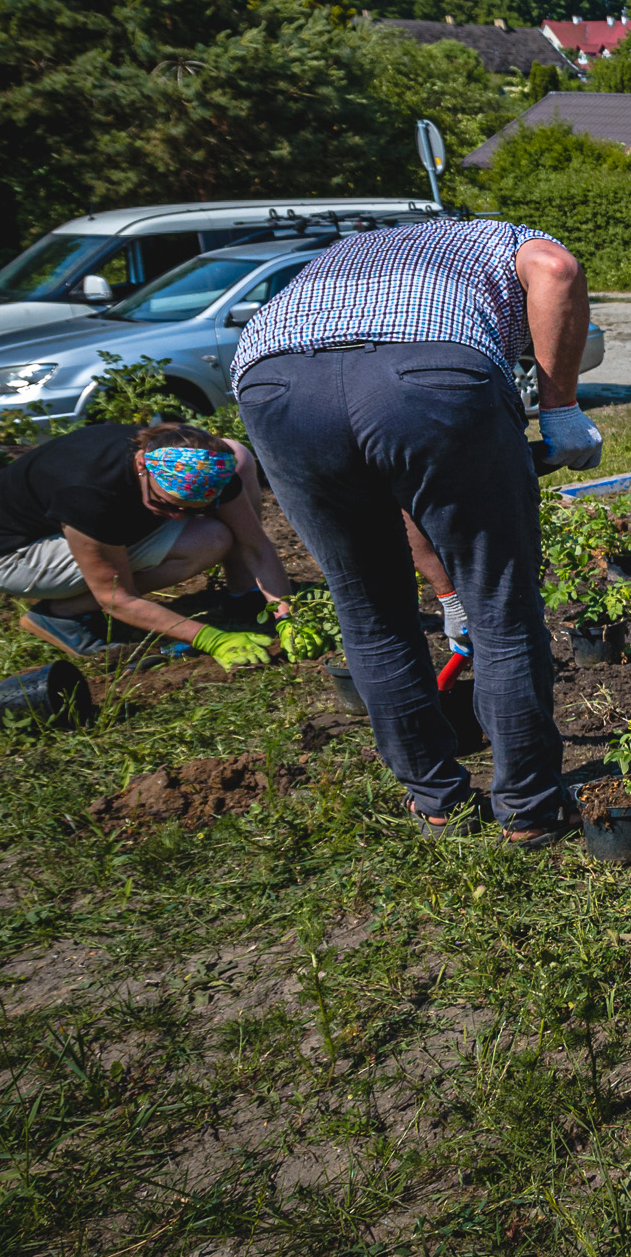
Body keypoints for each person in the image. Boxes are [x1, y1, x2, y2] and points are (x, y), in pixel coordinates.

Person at [230, 216, 603, 846]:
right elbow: (555, 271)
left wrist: (445, 594)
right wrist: (560, 409)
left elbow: (393, 471)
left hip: (276, 383)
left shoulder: (352, 251)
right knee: (502, 608)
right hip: (433, 370)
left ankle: (437, 805)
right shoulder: (505, 238)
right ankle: (530, 809)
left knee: (369, 612)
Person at [0, 419, 294, 668]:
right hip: (9, 555)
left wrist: (288, 616)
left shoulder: (206, 466)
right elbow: (117, 599)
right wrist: (211, 639)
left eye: (192, 509)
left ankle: (242, 594)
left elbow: (256, 546)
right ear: (142, 465)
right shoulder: (91, 494)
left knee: (217, 522)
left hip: (73, 524)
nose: (177, 516)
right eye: (167, 505)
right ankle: (60, 615)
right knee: (195, 545)